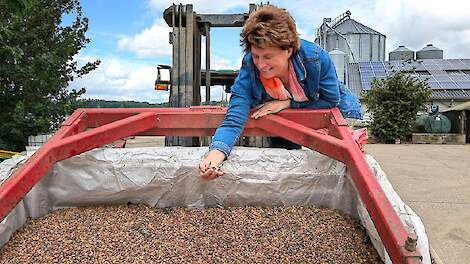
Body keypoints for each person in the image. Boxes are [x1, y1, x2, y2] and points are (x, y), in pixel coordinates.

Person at [199, 5, 362, 180]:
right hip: (285, 117)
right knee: (289, 168)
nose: (261, 64)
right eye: (256, 56)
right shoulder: (249, 67)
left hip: (336, 111)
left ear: (288, 50)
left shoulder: (316, 59)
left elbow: (330, 101)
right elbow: (235, 117)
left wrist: (287, 103)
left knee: (337, 169)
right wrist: (216, 154)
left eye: (268, 57)